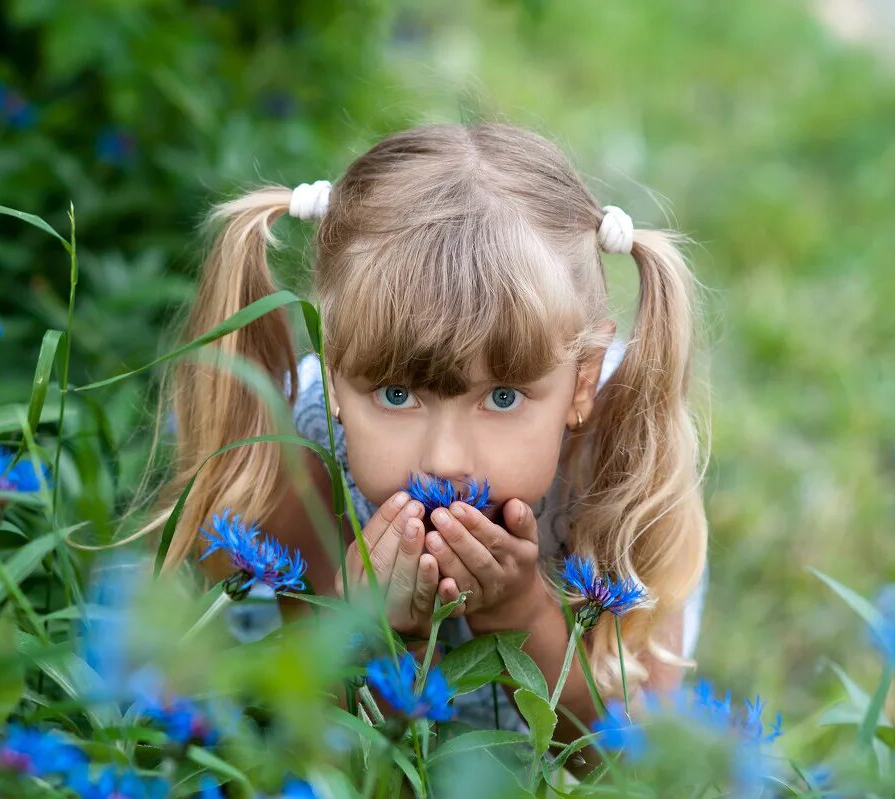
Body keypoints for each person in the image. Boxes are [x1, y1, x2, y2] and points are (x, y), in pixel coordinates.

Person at [140, 122, 708, 740]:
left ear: (581, 381)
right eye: (396, 394)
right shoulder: (299, 456)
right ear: (332, 375)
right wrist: (377, 633)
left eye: (502, 396)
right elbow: (320, 750)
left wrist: (522, 615)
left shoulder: (624, 453)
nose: (444, 461)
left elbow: (629, 766)